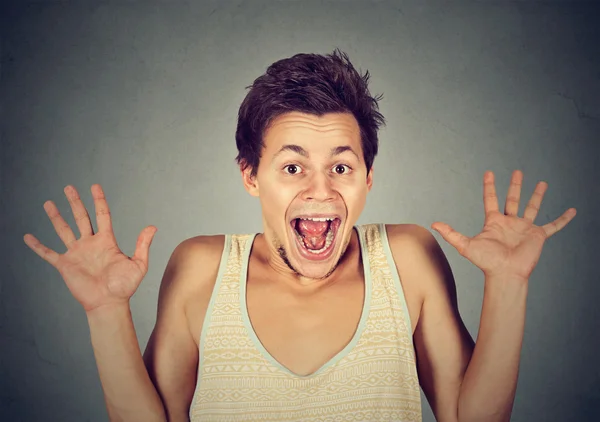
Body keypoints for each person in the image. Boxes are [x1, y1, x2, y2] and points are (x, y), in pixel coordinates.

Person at [23, 49, 576, 422]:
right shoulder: (201, 270)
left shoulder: (408, 259)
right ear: (250, 176)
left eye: (341, 167)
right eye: (292, 167)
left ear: (367, 178)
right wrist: (103, 312)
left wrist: (508, 283)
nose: (320, 189)